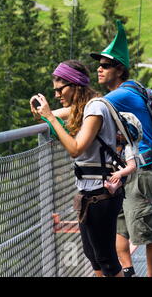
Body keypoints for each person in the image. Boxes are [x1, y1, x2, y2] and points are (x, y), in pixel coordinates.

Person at [30, 60, 124, 277]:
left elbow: (75, 148)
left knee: (107, 259)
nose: (56, 95)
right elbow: (48, 115)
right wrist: (42, 112)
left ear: (75, 85)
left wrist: (51, 117)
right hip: (90, 193)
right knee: (94, 257)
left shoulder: (95, 108)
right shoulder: (82, 108)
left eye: (59, 89)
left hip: (101, 193)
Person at [89, 20, 152, 277]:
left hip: (142, 171)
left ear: (119, 70)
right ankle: (128, 271)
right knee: (119, 228)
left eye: (105, 65)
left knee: (147, 230)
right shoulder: (124, 92)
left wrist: (50, 117)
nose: (99, 70)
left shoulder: (122, 94)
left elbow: (90, 109)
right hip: (124, 172)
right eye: (98, 65)